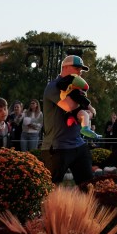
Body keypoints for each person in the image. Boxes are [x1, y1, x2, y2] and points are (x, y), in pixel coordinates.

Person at [41, 55, 95, 187]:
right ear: (64, 68)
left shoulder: (77, 87)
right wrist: (84, 106)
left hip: (77, 143)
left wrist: (89, 112)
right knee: (50, 188)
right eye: (76, 68)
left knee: (88, 186)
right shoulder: (53, 86)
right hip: (57, 146)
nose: (79, 72)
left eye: (81, 70)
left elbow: (92, 110)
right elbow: (69, 106)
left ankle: (86, 207)